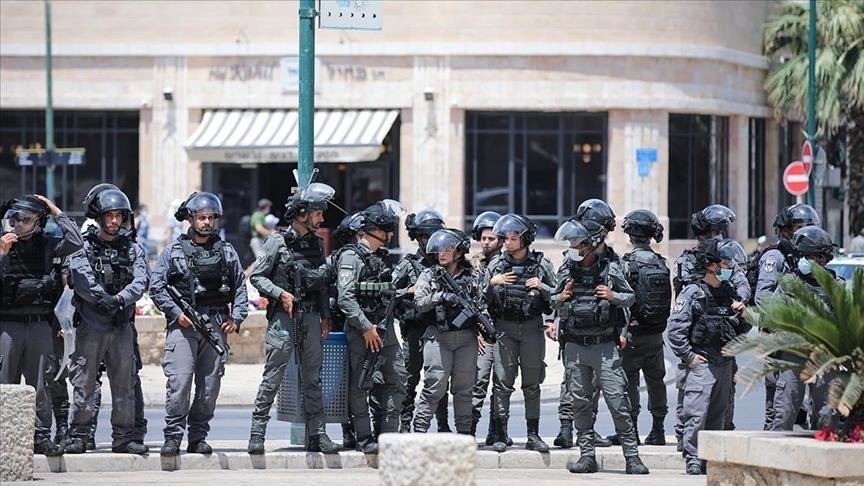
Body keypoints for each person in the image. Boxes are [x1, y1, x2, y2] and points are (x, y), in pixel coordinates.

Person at [150, 192, 248, 456]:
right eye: (202, 217)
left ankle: (198, 437)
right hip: (184, 327)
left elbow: (240, 287)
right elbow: (157, 286)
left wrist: (236, 317)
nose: (206, 222)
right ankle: (173, 437)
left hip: (215, 324)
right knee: (179, 383)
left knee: (209, 387)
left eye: (210, 217)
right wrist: (175, 313)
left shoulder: (226, 251)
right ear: (191, 219)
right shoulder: (173, 251)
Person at [551, 219, 649, 475]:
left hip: (604, 346)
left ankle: (632, 457)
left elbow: (631, 298)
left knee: (618, 402)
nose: (573, 247)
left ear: (589, 244)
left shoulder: (610, 268)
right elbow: (551, 300)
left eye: (577, 243)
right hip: (574, 347)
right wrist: (561, 297)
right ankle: (587, 457)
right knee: (580, 403)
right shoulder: (567, 268)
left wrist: (613, 296)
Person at [247, 184, 339, 454]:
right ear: (301, 215)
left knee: (313, 379)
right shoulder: (277, 242)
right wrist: (281, 293)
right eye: (317, 213)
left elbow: (322, 283)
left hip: (311, 318)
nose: (321, 218)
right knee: (272, 377)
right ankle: (257, 434)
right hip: (284, 319)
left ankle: (318, 435)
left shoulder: (316, 243)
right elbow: (257, 277)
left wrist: (325, 315)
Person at [65, 187, 150, 455]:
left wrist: (119, 300)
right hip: (91, 324)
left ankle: (123, 438)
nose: (114, 221)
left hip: (121, 325)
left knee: (124, 383)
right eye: (109, 216)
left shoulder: (133, 248)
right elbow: (81, 279)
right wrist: (102, 299)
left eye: (118, 216)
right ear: (99, 218)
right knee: (84, 382)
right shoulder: (84, 246)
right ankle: (80, 435)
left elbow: (141, 280)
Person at [0, 195, 83, 456]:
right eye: (15, 218)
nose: (18, 224)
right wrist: (2, 254)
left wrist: (55, 210)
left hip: (39, 325)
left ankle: (41, 435)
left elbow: (76, 241)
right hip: (8, 326)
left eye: (25, 220)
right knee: (5, 384)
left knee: (40, 385)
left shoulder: (48, 246)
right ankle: (5, 437)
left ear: (38, 223)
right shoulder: (2, 244)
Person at [667, 239, 751, 475]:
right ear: (711, 265)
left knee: (718, 415)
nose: (729, 266)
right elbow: (675, 330)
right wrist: (690, 358)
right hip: (702, 363)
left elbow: (741, 329)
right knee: (696, 414)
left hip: (724, 363)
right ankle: (693, 458)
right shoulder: (693, 292)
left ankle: (709, 458)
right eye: (725, 262)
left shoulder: (729, 292)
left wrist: (744, 314)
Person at [337, 200, 408, 454]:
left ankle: (387, 435)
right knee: (361, 384)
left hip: (385, 330)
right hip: (362, 332)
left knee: (397, 378)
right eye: (387, 229)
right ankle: (364, 437)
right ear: (376, 230)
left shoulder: (379, 258)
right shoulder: (351, 256)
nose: (390, 234)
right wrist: (366, 328)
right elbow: (346, 298)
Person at [483, 213, 556, 452]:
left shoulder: (542, 265)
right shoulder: (496, 265)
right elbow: (479, 299)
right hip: (504, 329)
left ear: (525, 239)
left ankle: (533, 435)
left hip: (532, 328)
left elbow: (558, 297)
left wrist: (542, 286)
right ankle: (501, 434)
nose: (506, 242)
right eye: (505, 238)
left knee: (532, 384)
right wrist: (491, 283)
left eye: (512, 238)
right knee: (502, 383)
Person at [554, 199, 618, 449]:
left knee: (595, 384)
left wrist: (622, 331)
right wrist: (553, 320)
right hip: (574, 327)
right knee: (572, 380)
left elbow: (623, 298)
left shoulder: (612, 260)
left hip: (601, 328)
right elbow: (559, 291)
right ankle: (566, 428)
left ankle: (587, 431)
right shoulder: (573, 256)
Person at [413, 228, 489, 435]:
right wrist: (440, 297)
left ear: (459, 252)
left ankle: (464, 434)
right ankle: (419, 432)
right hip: (438, 337)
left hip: (466, 339)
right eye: (439, 249)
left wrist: (484, 326)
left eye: (447, 249)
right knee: (434, 386)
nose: (442, 253)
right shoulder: (430, 274)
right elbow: (419, 303)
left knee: (464, 389)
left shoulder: (472, 275)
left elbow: (481, 304)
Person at [753, 203, 819, 430]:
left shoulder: (804, 257)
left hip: (804, 337)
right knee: (777, 396)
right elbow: (763, 298)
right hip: (778, 336)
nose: (804, 232)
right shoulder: (776, 256)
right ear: (786, 230)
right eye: (799, 227)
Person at [769, 226, 839, 431]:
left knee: (827, 416)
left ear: (824, 259)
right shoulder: (789, 284)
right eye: (805, 256)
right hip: (794, 355)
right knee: (785, 412)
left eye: (813, 256)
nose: (807, 261)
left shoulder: (836, 286)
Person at [610, 209, 671, 446]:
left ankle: (631, 431)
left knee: (630, 382)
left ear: (630, 234)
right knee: (656, 381)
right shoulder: (662, 263)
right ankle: (658, 430)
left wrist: (621, 333)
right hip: (655, 334)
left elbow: (623, 302)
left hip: (632, 335)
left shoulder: (626, 264)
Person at [393, 208, 449, 433]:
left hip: (438, 329)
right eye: (424, 236)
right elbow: (389, 293)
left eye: (432, 236)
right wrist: (408, 291)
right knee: (410, 378)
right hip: (415, 330)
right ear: (417, 238)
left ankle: (443, 423)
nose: (428, 241)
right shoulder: (408, 265)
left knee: (439, 378)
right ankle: (405, 423)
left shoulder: (444, 263)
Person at [468, 211, 506, 444]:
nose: (486, 242)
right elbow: (469, 299)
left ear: (501, 240)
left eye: (491, 238)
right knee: (478, 382)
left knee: (502, 384)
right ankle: (469, 431)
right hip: (482, 331)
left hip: (504, 330)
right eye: (483, 238)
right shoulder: (473, 265)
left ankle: (497, 432)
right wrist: (475, 331)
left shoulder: (508, 263)